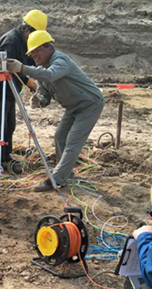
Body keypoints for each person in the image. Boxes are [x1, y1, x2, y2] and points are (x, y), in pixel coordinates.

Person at [6, 31, 104, 192]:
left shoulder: (60, 60)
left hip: (90, 104)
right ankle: (66, 173)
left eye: (37, 51)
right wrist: (40, 100)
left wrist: (22, 68)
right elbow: (45, 93)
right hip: (73, 107)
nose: (34, 56)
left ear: (49, 47)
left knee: (73, 141)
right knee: (60, 136)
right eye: (31, 53)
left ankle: (57, 179)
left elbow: (51, 75)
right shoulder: (42, 68)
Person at [0, 10, 47, 174]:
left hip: (11, 91)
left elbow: (30, 62)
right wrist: (27, 80)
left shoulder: (24, 42)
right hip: (0, 90)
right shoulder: (11, 42)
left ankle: (6, 157)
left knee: (10, 126)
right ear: (25, 29)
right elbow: (8, 67)